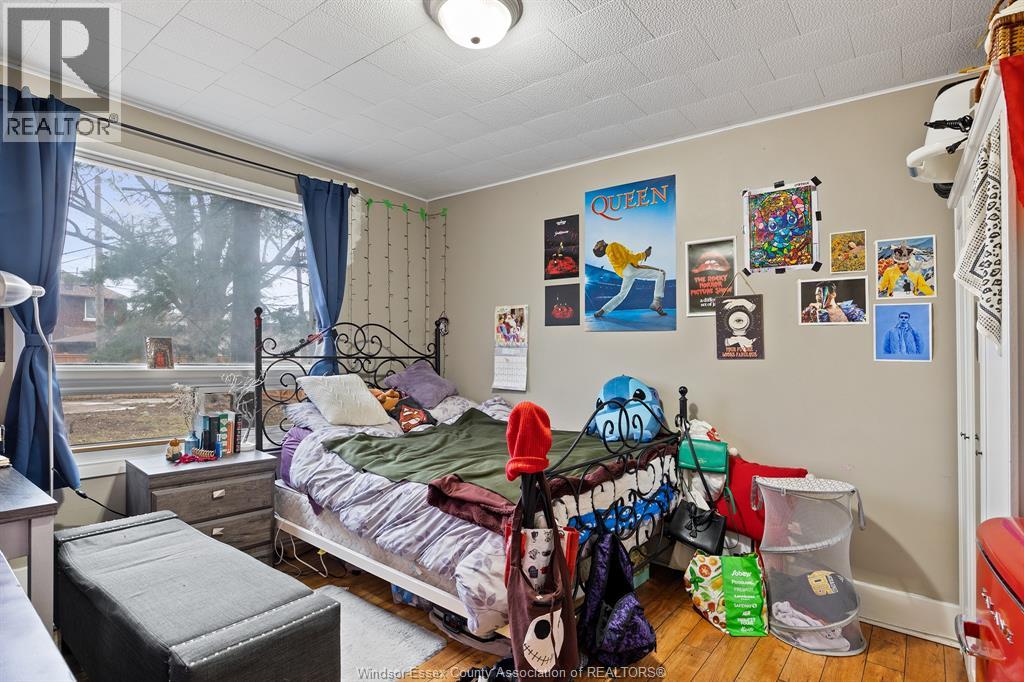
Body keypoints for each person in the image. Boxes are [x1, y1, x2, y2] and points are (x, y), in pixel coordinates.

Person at [592, 239, 666, 317]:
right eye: (596, 245)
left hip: (626, 273)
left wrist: (643, 257)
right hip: (630, 269)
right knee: (661, 273)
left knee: (621, 295)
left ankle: (602, 310)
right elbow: (630, 258)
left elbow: (627, 264)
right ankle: (657, 302)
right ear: (601, 248)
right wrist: (644, 254)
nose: (597, 243)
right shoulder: (612, 245)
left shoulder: (610, 253)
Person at [800, 281, 865, 323]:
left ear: (833, 294)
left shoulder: (850, 310)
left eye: (820, 293)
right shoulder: (810, 312)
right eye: (816, 294)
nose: (818, 297)